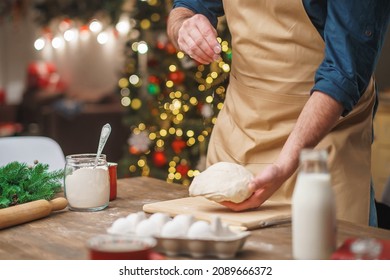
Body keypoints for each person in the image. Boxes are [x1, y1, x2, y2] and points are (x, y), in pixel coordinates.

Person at [167, 0, 390, 226]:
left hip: (323, 145)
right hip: (239, 131)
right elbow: (187, 6)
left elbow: (343, 74)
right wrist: (184, 25)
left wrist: (284, 165)